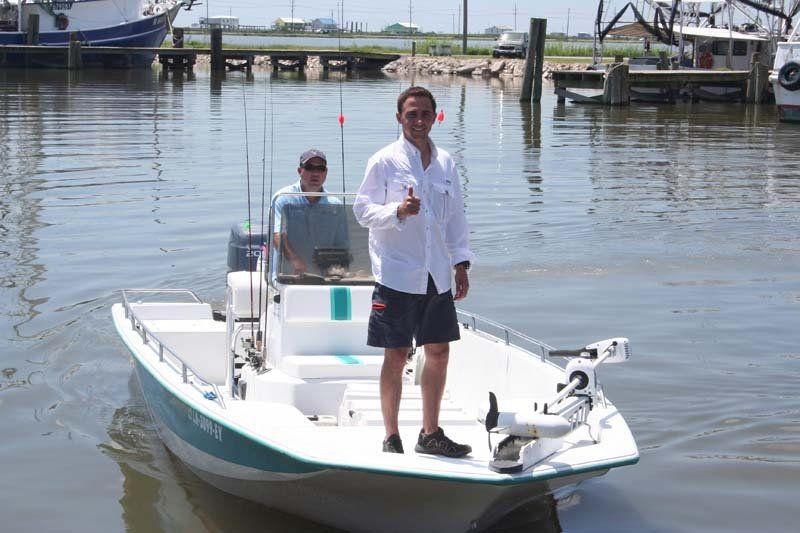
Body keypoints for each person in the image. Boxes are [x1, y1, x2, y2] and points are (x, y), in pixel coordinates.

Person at [353, 86, 475, 457]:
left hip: (437, 272)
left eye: (425, 114)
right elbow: (361, 211)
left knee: (438, 352)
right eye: (411, 114)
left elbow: (455, 218)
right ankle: (391, 437)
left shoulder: (447, 164)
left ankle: (430, 433)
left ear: (436, 116)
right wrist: (398, 212)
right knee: (397, 354)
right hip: (397, 274)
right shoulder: (384, 161)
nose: (419, 121)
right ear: (399, 118)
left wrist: (461, 263)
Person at [272, 149, 349, 278]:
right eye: (309, 168)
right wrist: (294, 260)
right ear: (299, 171)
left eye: (320, 168)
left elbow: (342, 245)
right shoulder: (283, 198)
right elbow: (277, 235)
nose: (315, 173)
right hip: (287, 277)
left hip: (324, 278)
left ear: (326, 172)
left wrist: (337, 269)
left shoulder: (335, 205)